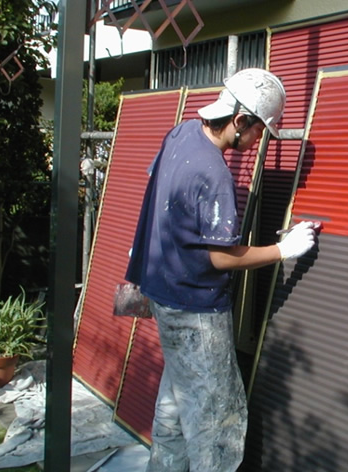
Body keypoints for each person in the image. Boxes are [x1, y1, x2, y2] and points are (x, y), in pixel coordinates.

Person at [125, 68, 318, 472]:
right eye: (259, 131)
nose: (257, 141)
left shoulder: (180, 134)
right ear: (240, 120)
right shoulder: (214, 173)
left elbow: (160, 200)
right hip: (197, 311)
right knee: (217, 423)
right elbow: (219, 257)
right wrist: (283, 249)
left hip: (162, 294)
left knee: (176, 402)